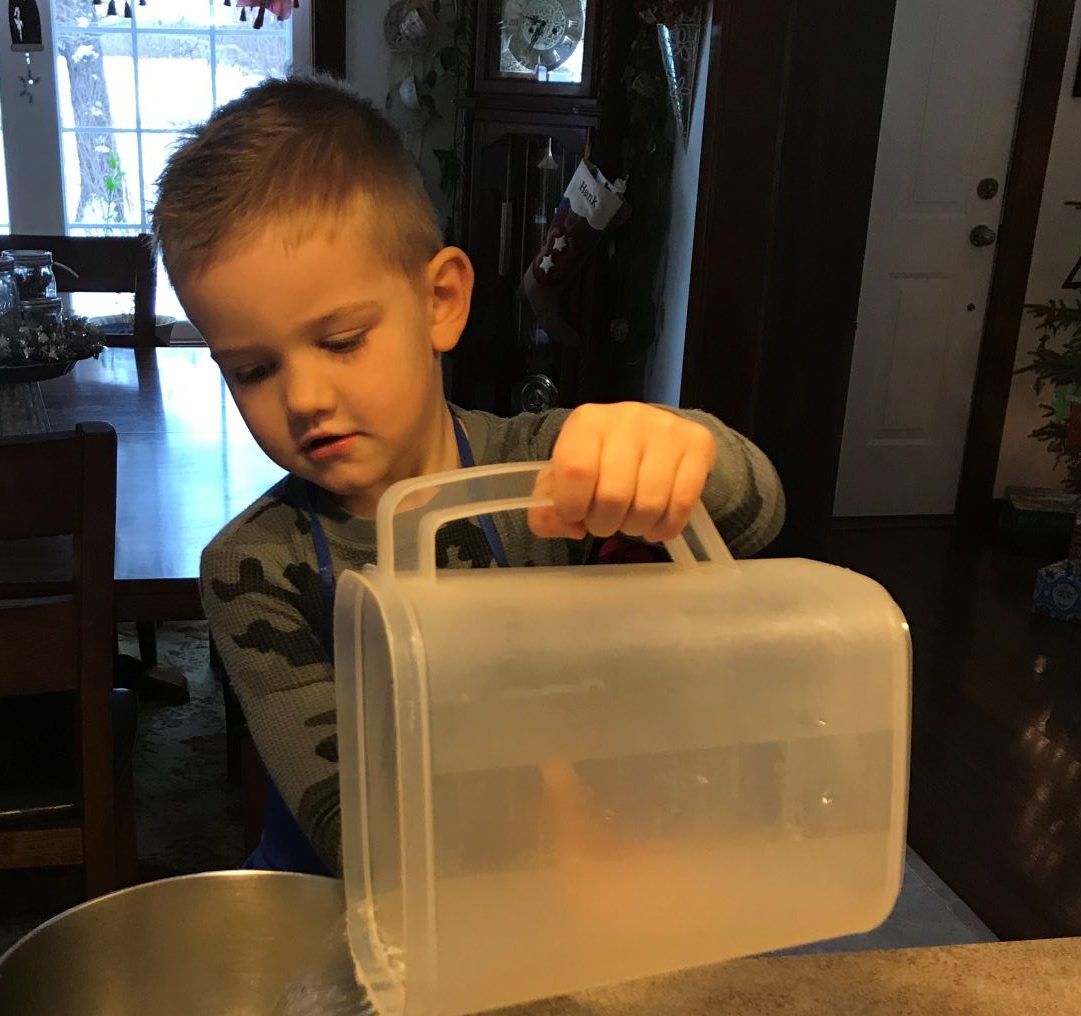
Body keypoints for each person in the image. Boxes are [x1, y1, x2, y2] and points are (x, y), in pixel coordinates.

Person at [153, 76, 784, 878]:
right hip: (357, 917)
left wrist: (677, 449)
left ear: (442, 302)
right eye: (252, 369)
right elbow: (354, 827)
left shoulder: (544, 477)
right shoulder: (254, 568)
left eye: (342, 340)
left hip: (566, 888)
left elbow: (755, 513)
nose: (305, 399)